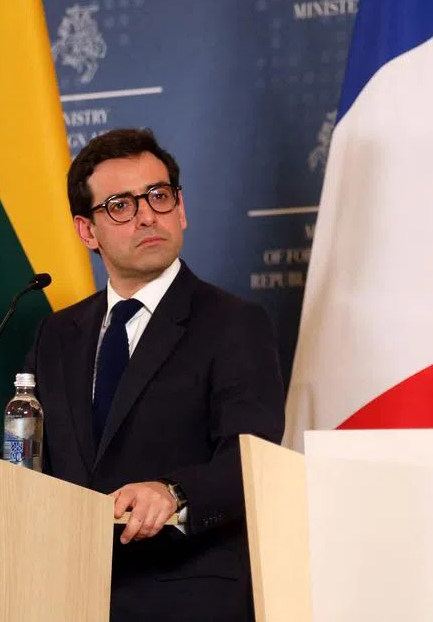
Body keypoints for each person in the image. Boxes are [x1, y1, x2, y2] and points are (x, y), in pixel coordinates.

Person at [24, 128, 285, 621]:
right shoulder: (55, 336)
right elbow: (34, 463)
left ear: (180, 208)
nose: (147, 215)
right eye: (121, 205)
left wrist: (173, 493)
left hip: (187, 599)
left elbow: (253, 459)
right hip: (66, 595)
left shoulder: (233, 323)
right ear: (87, 231)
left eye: (159, 196)